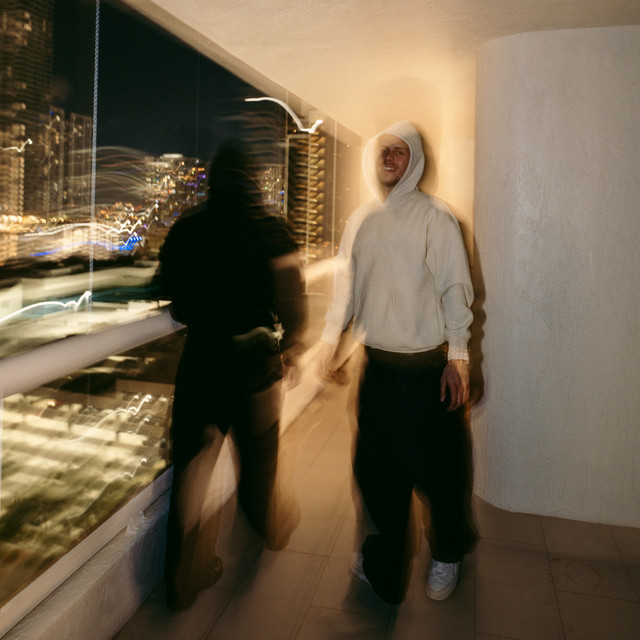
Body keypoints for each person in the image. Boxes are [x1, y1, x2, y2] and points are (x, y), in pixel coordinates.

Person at [317, 120, 475, 604]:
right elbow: (345, 288)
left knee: (441, 472)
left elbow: (454, 289)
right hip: (379, 370)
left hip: (428, 371)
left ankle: (447, 553)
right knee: (377, 473)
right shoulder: (360, 220)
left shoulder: (436, 217)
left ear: (416, 160)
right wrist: (330, 341)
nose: (389, 157)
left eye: (400, 151)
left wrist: (459, 356)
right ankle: (385, 564)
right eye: (384, 150)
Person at [158, 139, 307, 610]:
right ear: (253, 183)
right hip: (254, 367)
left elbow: (170, 295)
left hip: (201, 364)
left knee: (192, 473)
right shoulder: (272, 230)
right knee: (259, 460)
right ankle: (267, 528)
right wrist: (291, 345)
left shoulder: (188, 229)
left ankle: (182, 580)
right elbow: (292, 299)